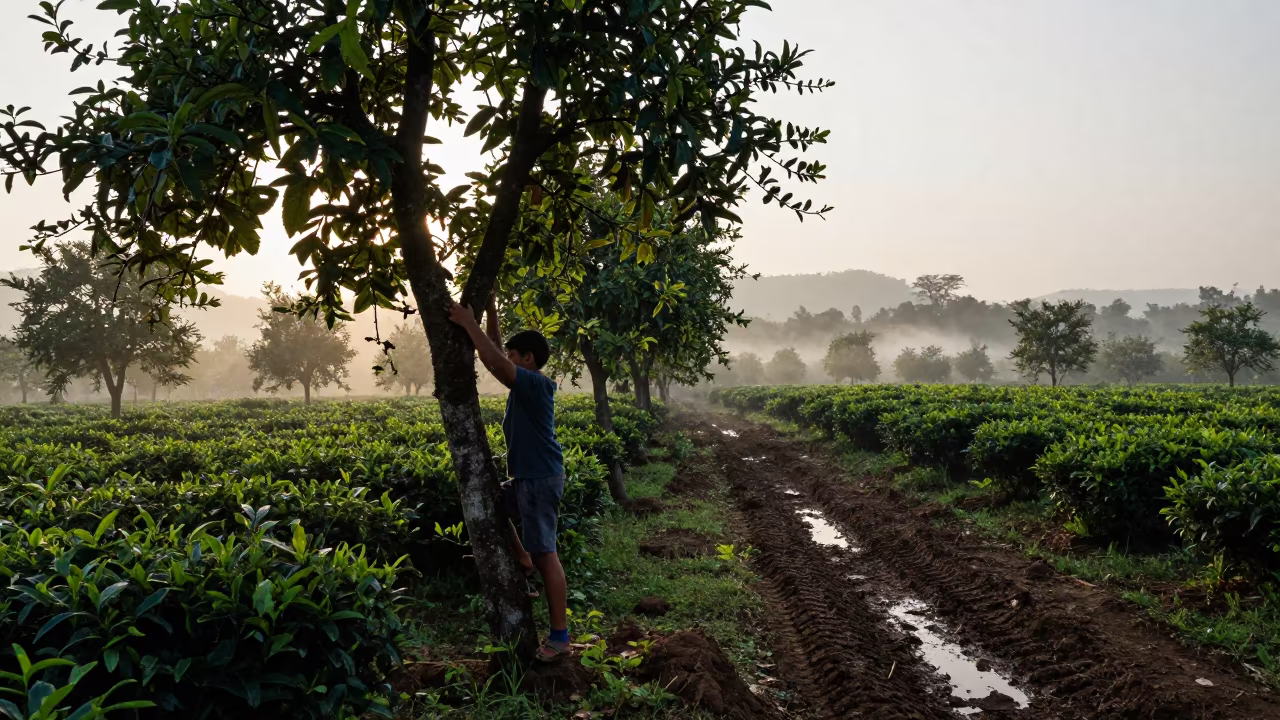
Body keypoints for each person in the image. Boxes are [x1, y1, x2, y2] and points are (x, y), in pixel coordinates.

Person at [449, 294, 570, 662]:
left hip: (540, 478)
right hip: (526, 480)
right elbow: (500, 357)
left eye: (516, 357)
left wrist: (469, 323)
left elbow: (497, 364)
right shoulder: (525, 381)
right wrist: (489, 312)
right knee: (493, 503)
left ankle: (560, 636)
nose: (508, 363)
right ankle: (523, 561)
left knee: (547, 555)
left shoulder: (535, 385)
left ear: (528, 360)